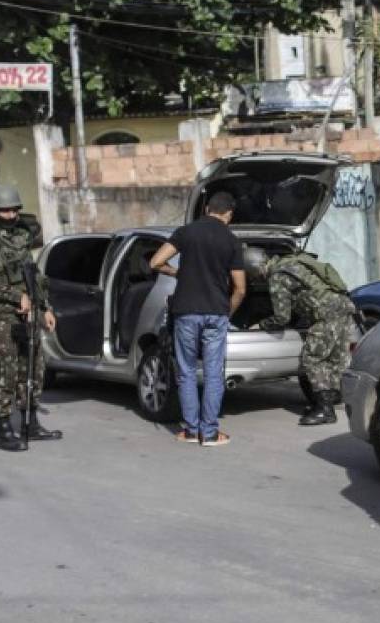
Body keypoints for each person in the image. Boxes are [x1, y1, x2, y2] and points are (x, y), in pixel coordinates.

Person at [0, 185, 62, 452]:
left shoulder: (21, 238)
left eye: (13, 209)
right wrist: (14, 296)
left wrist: (45, 306)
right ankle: (3, 429)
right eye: (4, 210)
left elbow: (34, 277)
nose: (10, 215)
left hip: (30, 315)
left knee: (33, 367)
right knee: (5, 370)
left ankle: (30, 423)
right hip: (3, 318)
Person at [150, 191, 246, 447]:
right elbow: (241, 288)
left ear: (206, 209)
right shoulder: (232, 241)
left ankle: (191, 431)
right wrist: (228, 312)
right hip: (216, 312)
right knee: (214, 373)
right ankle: (211, 433)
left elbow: (155, 262)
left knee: (187, 372)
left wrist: (177, 272)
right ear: (229, 214)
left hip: (186, 312)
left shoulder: (186, 232)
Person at [246, 248, 355, 426]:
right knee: (335, 358)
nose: (255, 279)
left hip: (325, 313)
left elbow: (282, 317)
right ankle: (331, 399)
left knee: (312, 358)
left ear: (257, 268)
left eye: (253, 275)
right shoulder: (292, 262)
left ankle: (325, 410)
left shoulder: (277, 276)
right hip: (342, 306)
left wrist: (261, 325)